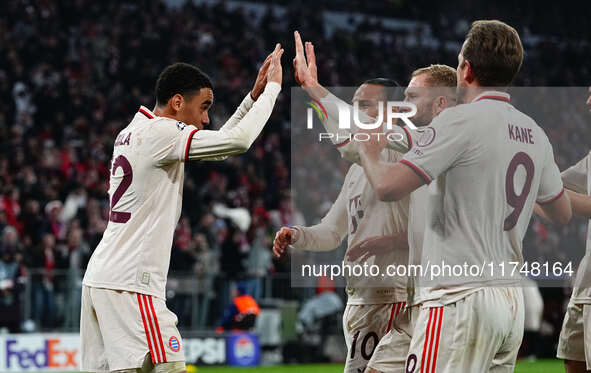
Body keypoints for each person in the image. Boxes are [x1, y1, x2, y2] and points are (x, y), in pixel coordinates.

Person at [355, 20, 571, 372]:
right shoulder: (535, 133)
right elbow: (560, 212)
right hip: (509, 303)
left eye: (458, 63)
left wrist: (369, 151)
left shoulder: (458, 121)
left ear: (466, 68)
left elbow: (387, 187)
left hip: (458, 297)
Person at [80, 44, 283, 373]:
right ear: (177, 102)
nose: (205, 119)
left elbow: (219, 147)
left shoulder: (133, 131)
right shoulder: (162, 132)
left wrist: (251, 98)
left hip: (103, 279)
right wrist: (273, 88)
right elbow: (238, 141)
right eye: (203, 108)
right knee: (170, 365)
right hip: (133, 283)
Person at [552, 86, 591, 373]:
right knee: (573, 360)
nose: (588, 101)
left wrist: (546, 193)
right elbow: (554, 185)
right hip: (586, 283)